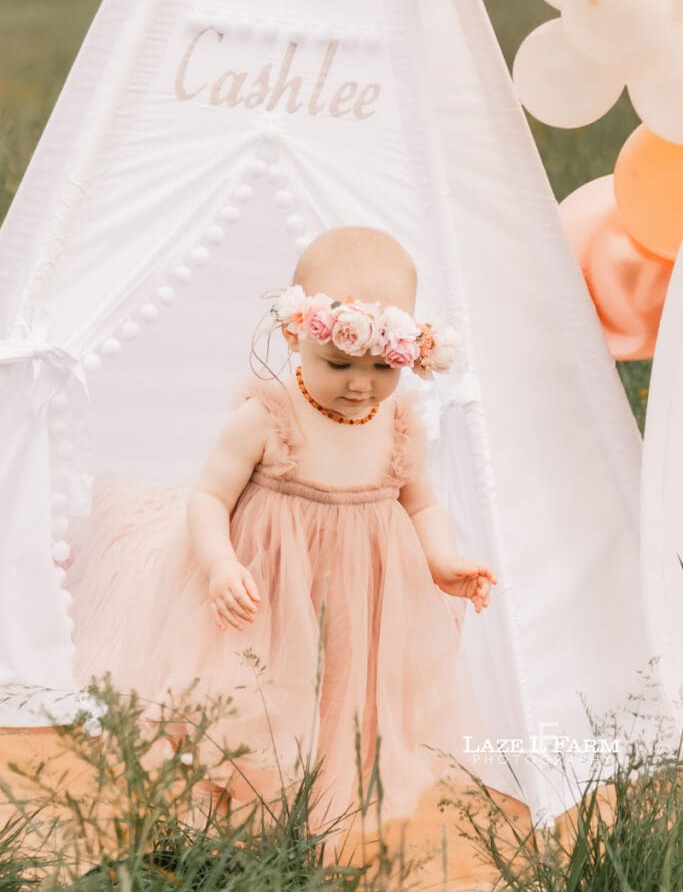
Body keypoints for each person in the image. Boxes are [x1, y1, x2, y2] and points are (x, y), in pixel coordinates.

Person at [66, 225, 497, 834]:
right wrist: (220, 564)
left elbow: (421, 503)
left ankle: (319, 795)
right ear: (298, 335)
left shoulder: (399, 423)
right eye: (339, 363)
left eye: (383, 366)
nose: (360, 384)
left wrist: (442, 560)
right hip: (267, 590)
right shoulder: (266, 417)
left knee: (343, 696)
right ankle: (229, 786)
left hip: (359, 597)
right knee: (261, 690)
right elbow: (210, 497)